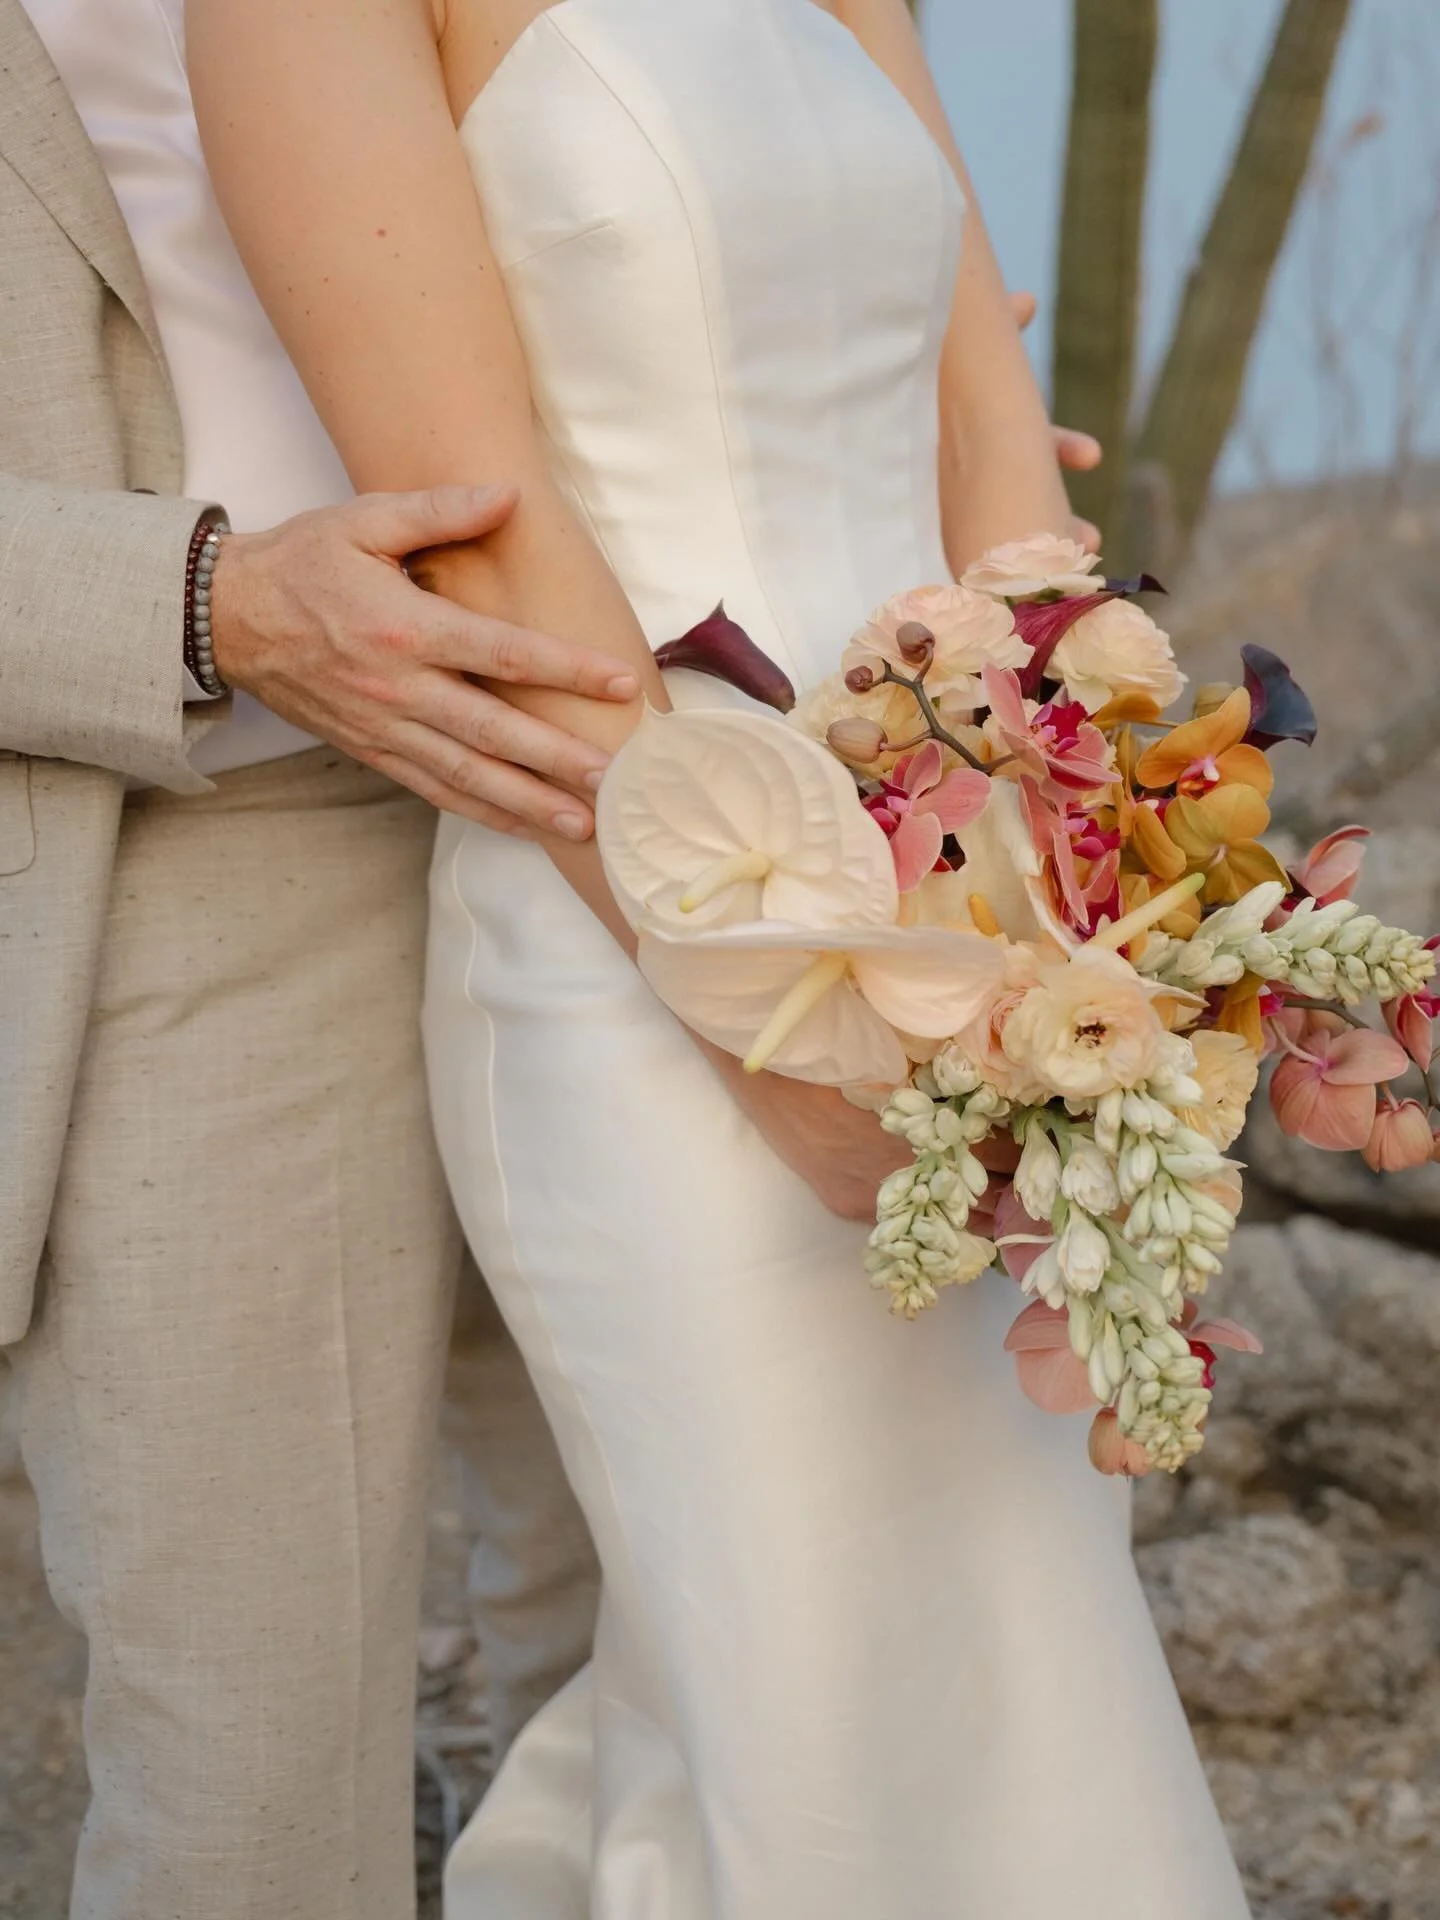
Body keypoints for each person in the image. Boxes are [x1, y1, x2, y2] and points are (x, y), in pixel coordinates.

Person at [188, 0, 1253, 1913]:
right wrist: (781, 1017)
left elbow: (990, 441)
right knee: (797, 1698)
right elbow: (485, 543)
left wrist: (1083, 903)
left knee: (1011, 1664)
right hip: (633, 927)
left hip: (968, 914)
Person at [0, 1, 615, 1913]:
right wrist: (211, 601)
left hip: (647, 773)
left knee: (689, 1654)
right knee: (257, 1785)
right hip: (191, 846)